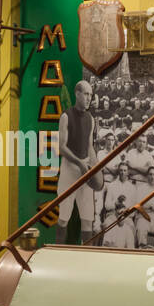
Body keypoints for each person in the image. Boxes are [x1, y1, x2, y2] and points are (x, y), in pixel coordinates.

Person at [55, 80, 97, 245]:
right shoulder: (66, 116)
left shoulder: (90, 118)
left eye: (91, 95)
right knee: (64, 217)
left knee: (87, 219)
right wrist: (79, 162)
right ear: (77, 94)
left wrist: (95, 166)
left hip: (85, 168)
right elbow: (62, 147)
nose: (89, 98)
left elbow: (89, 146)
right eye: (86, 94)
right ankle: (57, 254)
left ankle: (88, 259)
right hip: (69, 169)